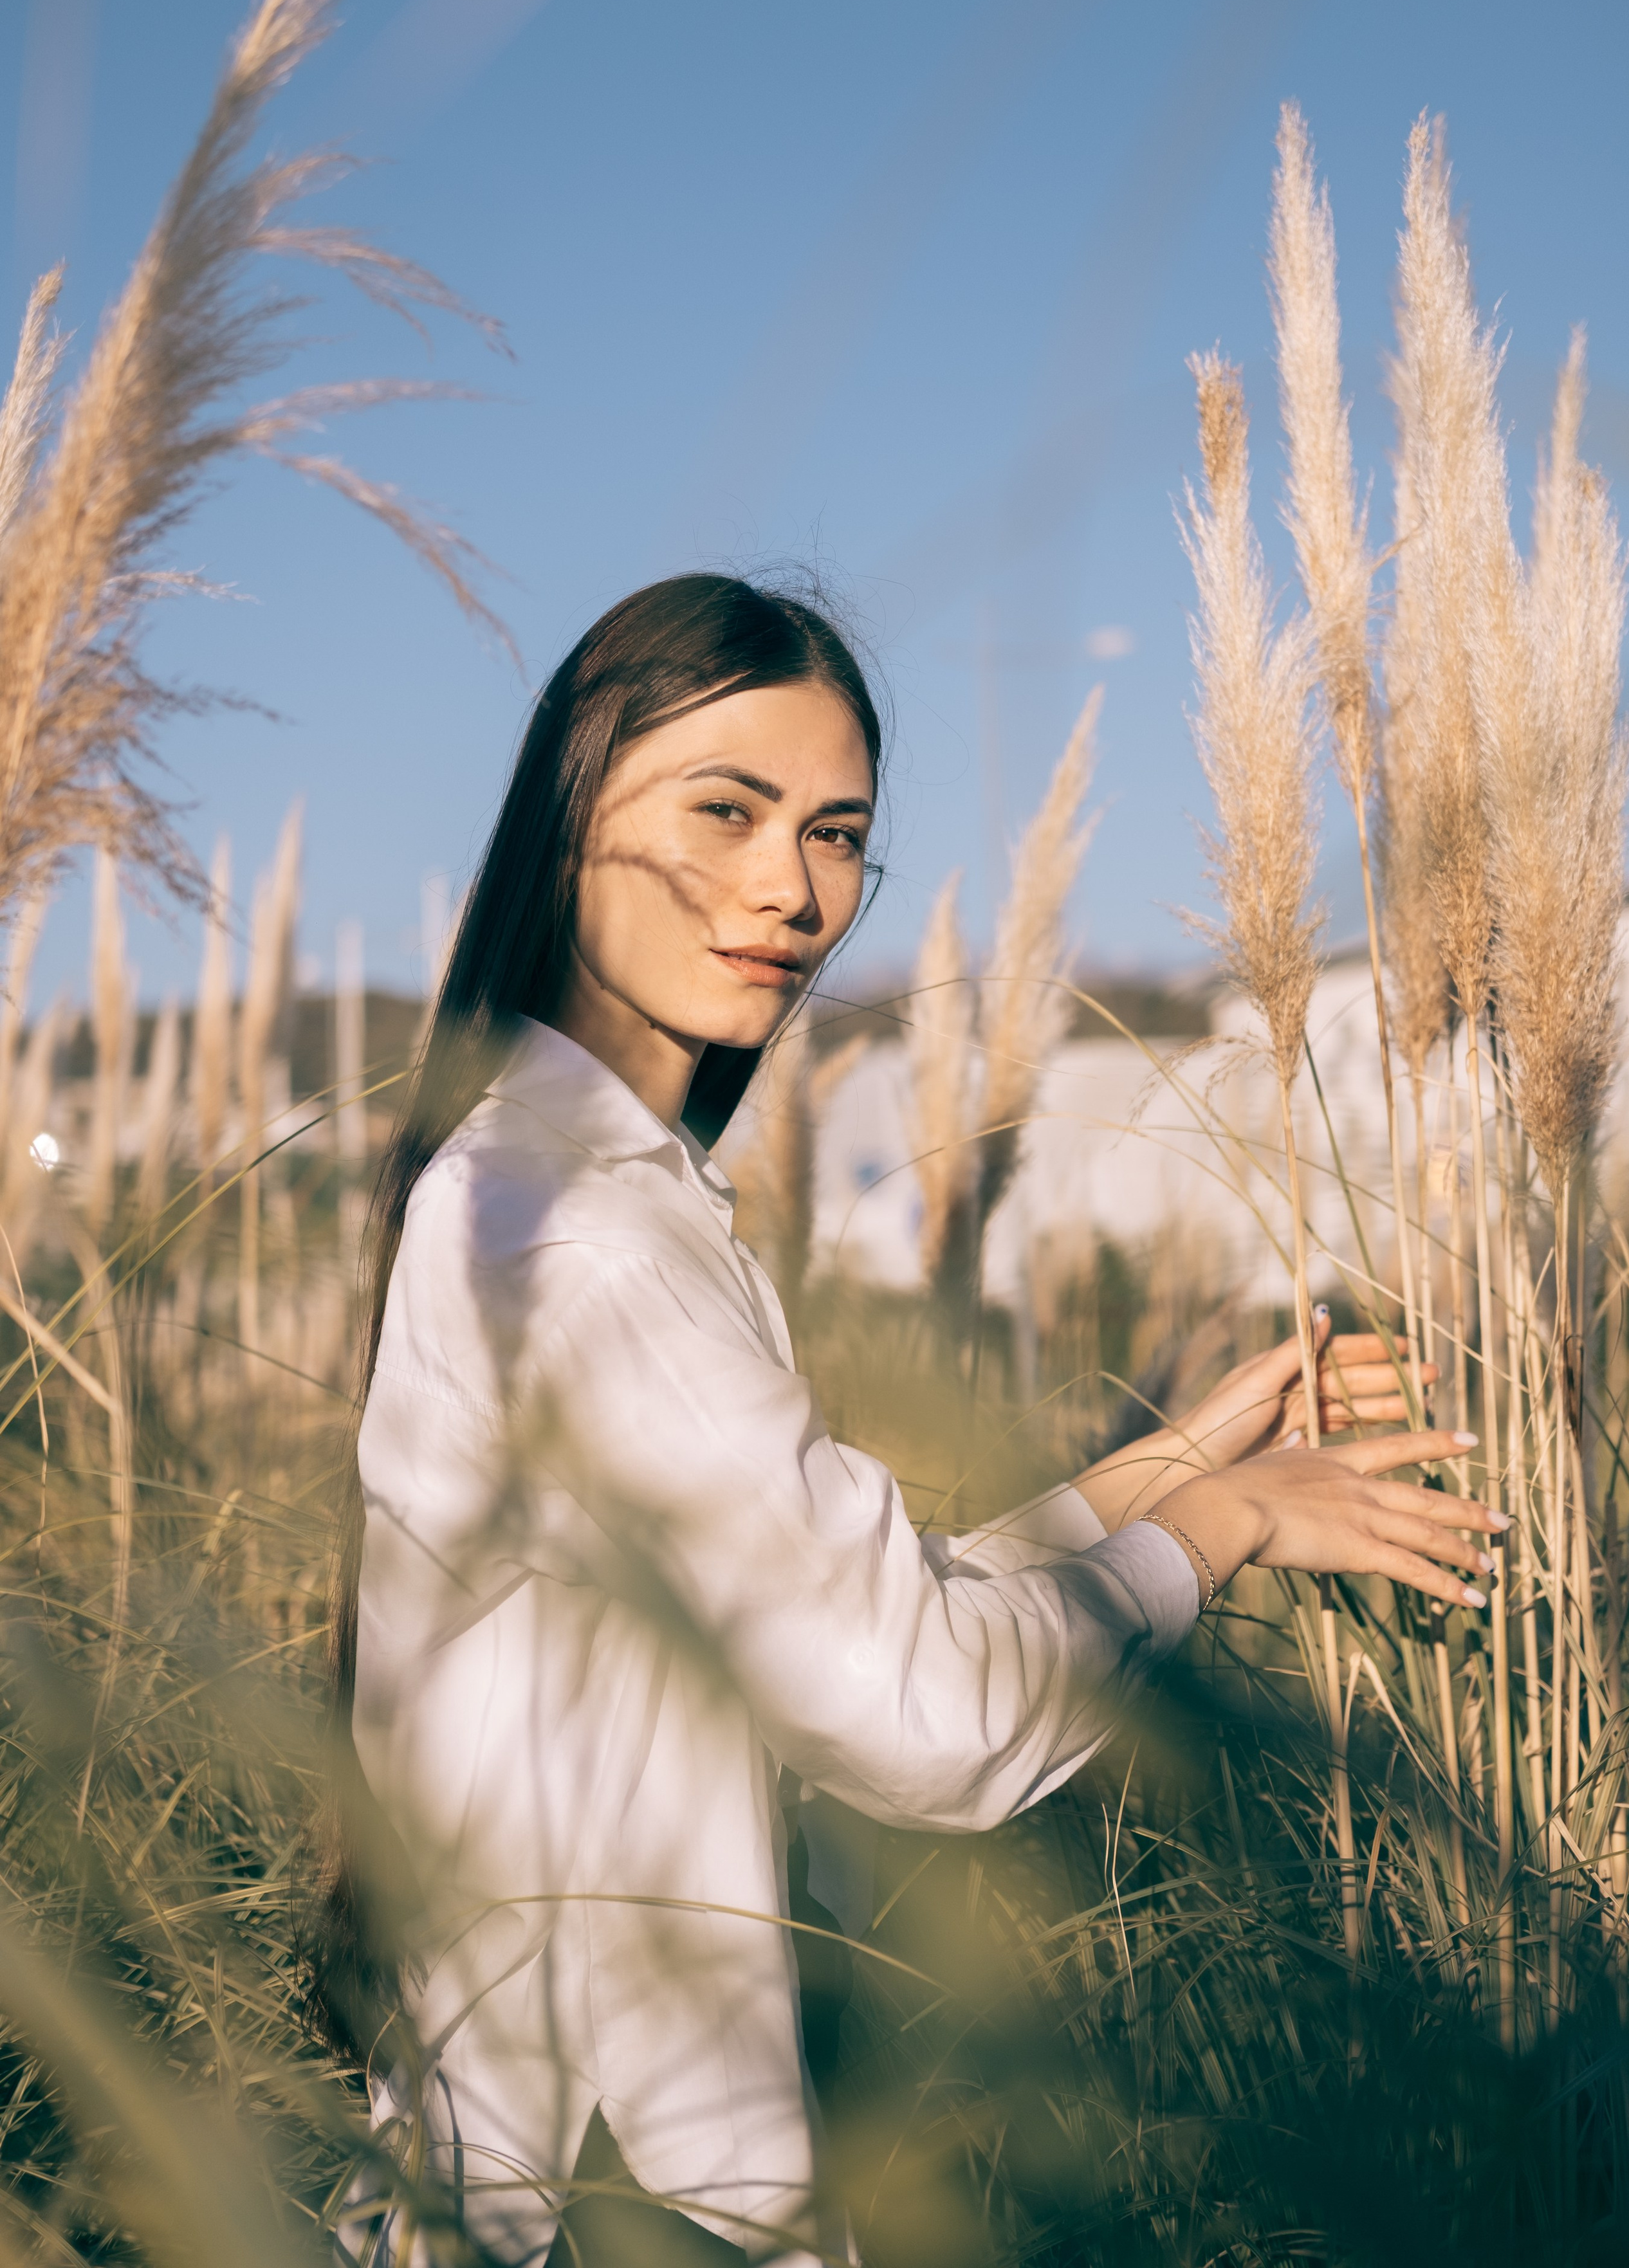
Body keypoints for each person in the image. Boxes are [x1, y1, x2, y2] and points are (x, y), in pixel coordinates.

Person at [322, 574, 1501, 2267]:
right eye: (725, 810)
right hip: (606, 2201)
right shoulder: (576, 1226)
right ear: (572, 812)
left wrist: (1181, 1464)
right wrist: (1231, 1527)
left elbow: (829, 1610)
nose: (788, 887)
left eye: (833, 834)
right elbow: (914, 1710)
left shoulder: (562, 1183)